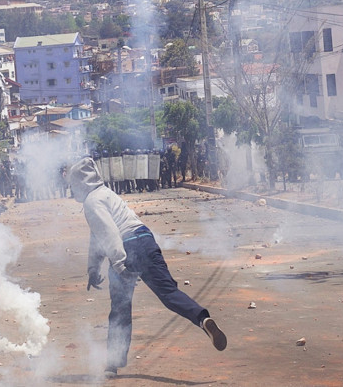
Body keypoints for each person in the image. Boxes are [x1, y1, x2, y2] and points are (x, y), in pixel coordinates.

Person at [67, 156, 226, 378]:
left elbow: (109, 234)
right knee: (169, 293)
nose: (71, 189)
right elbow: (98, 235)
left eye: (72, 184)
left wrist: (120, 264)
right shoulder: (106, 194)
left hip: (126, 248)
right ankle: (203, 319)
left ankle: (112, 365)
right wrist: (93, 267)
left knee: (120, 309)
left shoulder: (91, 202)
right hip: (145, 240)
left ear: (80, 182)